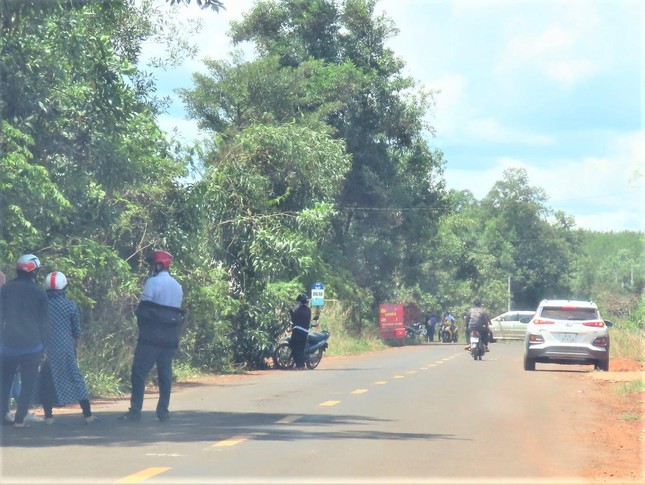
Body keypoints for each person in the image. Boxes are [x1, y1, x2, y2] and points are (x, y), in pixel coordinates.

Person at [120, 250, 183, 422]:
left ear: (159, 264)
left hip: (151, 338)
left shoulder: (152, 283)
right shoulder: (178, 286)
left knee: (139, 372)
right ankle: (163, 411)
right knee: (165, 374)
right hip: (170, 338)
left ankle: (135, 410)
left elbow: (144, 310)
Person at [38, 271, 95, 424]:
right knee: (76, 379)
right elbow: (76, 331)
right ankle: (88, 415)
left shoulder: (42, 306)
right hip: (65, 349)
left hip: (45, 350)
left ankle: (48, 416)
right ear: (63, 287)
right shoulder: (69, 305)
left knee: (46, 381)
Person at [0, 254, 50, 428]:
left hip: (8, 345)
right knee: (28, 383)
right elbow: (44, 322)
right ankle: (20, 419)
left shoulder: (5, 289)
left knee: (5, 382)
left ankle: (4, 415)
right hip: (32, 346)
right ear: (33, 272)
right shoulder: (39, 292)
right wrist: (45, 347)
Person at [289, 293, 312, 370]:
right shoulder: (309, 310)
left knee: (295, 347)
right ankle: (302, 365)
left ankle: (298, 365)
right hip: (305, 332)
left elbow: (294, 320)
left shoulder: (298, 310)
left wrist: (291, 312)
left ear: (300, 302)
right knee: (301, 349)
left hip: (297, 331)